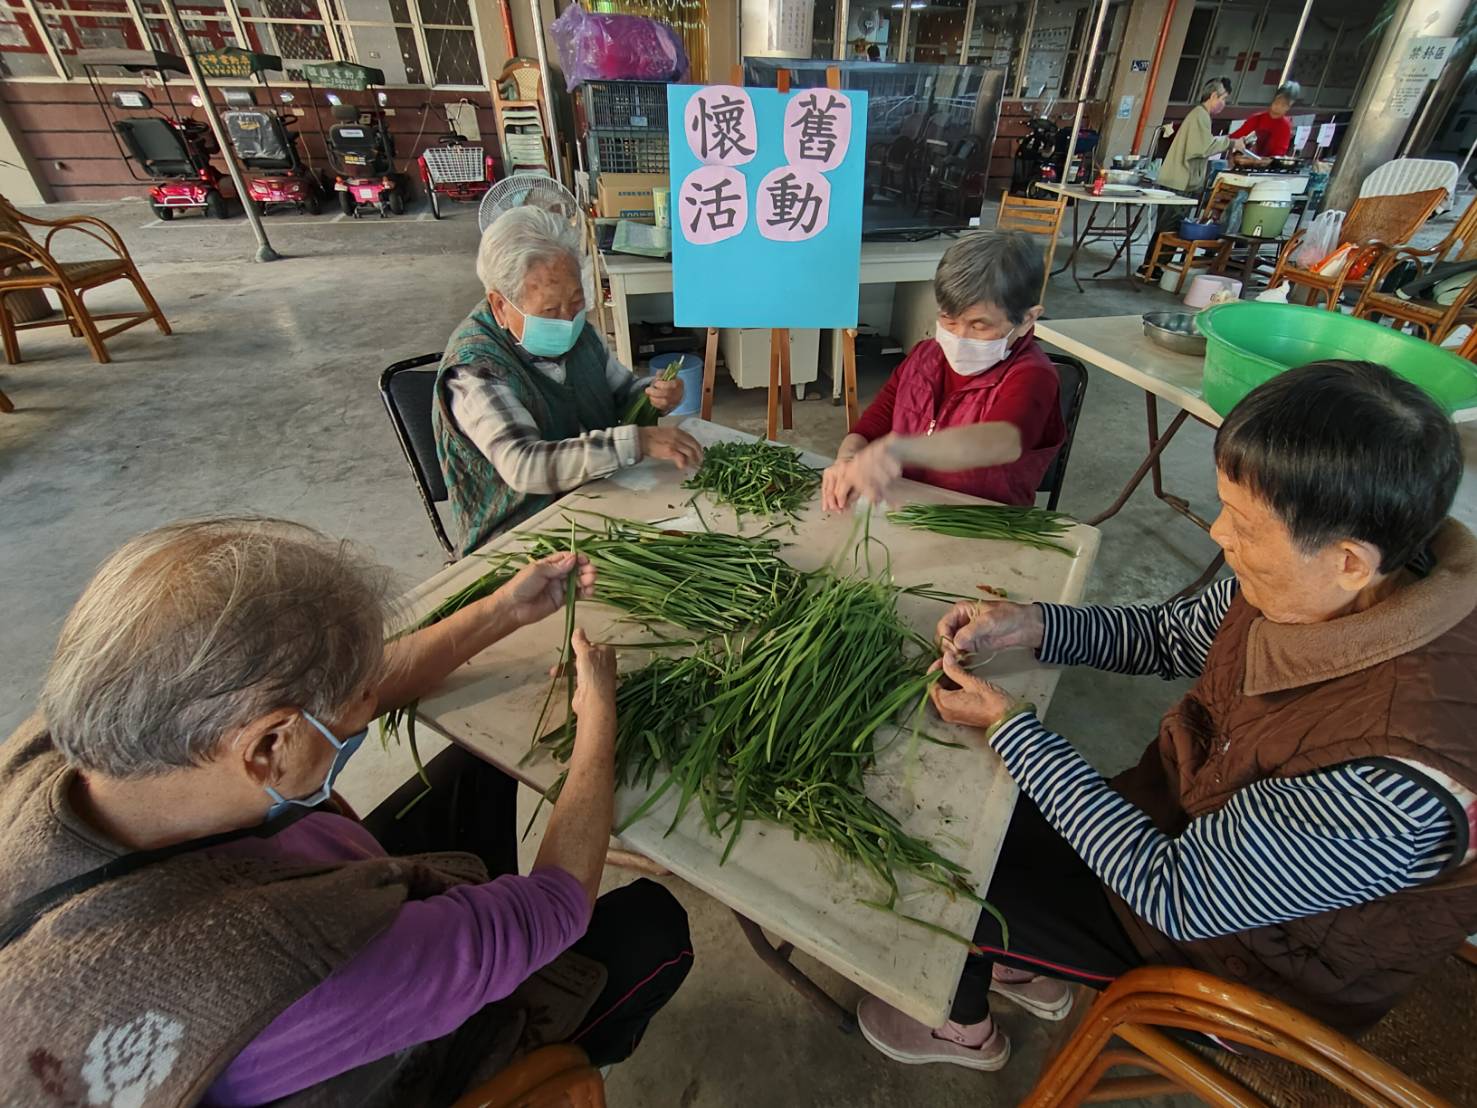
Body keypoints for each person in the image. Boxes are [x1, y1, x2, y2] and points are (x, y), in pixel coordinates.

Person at [857, 360, 1477, 1072]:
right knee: (979, 804)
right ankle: (1027, 968)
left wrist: (1012, 731)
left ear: (1348, 561)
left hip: (1234, 962)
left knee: (936, 861)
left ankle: (960, 1029)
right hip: (1183, 821)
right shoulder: (1327, 579)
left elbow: (1175, 891)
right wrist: (1033, 624)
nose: (1218, 533)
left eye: (1244, 524)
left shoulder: (1398, 783)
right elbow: (1171, 636)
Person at [0, 518, 693, 1105]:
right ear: (266, 747)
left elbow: (339, 691)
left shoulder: (80, 743)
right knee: (653, 928)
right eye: (354, 711)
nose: (367, 707)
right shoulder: (288, 967)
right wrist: (598, 717)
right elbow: (555, 905)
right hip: (371, 1040)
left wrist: (504, 610)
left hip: (305, 889)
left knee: (471, 766)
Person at [435, 206, 704, 556]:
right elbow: (524, 465)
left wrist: (655, 395)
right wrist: (635, 442)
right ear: (500, 305)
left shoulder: (580, 334)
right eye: (549, 311)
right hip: (524, 536)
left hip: (595, 498)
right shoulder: (475, 370)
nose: (567, 320)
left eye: (576, 301)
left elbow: (623, 392)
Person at [820, 231, 1064, 511]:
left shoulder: (1032, 376)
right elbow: (874, 423)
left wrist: (898, 450)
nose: (959, 336)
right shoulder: (924, 357)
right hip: (909, 509)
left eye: (979, 326)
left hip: (981, 520)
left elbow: (1002, 441)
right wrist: (849, 458)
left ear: (1027, 320)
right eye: (949, 320)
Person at [1140, 77, 1246, 276]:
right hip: (1179, 181)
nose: (1224, 104)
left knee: (1166, 227)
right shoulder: (1200, 115)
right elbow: (1202, 147)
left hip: (1178, 179)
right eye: (1223, 99)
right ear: (1213, 95)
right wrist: (1231, 143)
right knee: (1169, 230)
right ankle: (1152, 268)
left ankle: (1151, 267)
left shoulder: (1200, 115)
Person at [1230, 82, 1298, 163]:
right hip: (1254, 156)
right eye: (1277, 102)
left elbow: (1278, 154)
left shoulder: (1285, 126)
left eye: (1283, 105)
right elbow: (1236, 135)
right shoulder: (1258, 118)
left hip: (1270, 162)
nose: (1278, 107)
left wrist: (1258, 161)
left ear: (1289, 107)